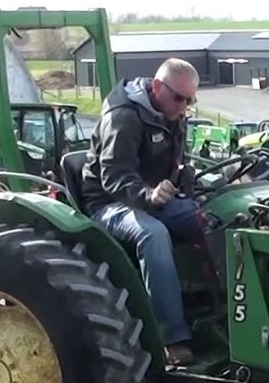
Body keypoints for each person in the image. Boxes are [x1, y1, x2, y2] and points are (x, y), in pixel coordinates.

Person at [78, 58, 206, 365]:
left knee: (210, 220)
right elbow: (113, 178)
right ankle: (171, 337)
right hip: (109, 204)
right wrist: (148, 194)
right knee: (153, 234)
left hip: (154, 199)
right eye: (179, 98)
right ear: (158, 87)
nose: (184, 106)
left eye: (191, 100)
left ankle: (221, 315)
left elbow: (176, 163)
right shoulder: (123, 117)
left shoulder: (171, 113)